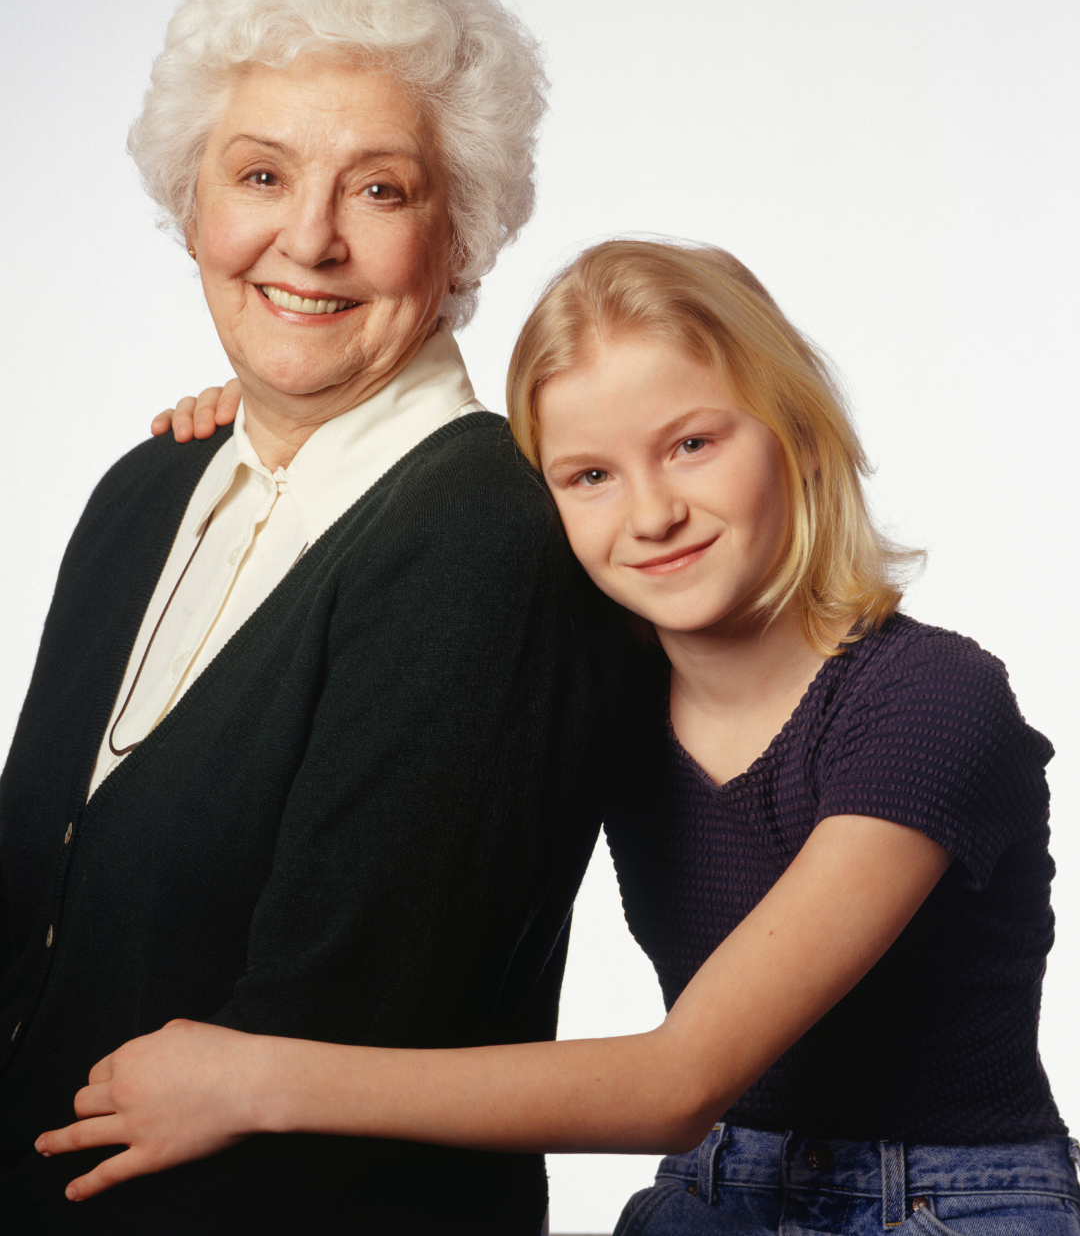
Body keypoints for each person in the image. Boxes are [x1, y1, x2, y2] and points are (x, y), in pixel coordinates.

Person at [37, 240, 1077, 1233]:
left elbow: (678, 1083)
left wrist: (255, 1080)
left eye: (692, 445)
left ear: (798, 433)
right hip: (712, 1193)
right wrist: (275, 424)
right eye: (589, 476)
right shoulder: (610, 682)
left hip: (946, 1201)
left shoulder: (931, 700)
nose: (652, 514)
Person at [0, 0, 627, 1236]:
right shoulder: (142, 493)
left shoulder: (485, 534)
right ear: (193, 207)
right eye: (261, 174)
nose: (310, 239)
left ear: (462, 234)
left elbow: (351, 1021)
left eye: (380, 191)